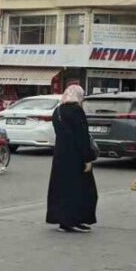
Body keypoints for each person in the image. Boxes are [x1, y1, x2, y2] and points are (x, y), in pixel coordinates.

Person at [46, 85, 99, 233]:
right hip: (76, 157)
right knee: (81, 189)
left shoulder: (57, 111)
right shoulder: (76, 111)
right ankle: (74, 220)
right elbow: (82, 137)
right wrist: (88, 159)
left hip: (60, 156)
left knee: (62, 189)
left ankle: (63, 221)